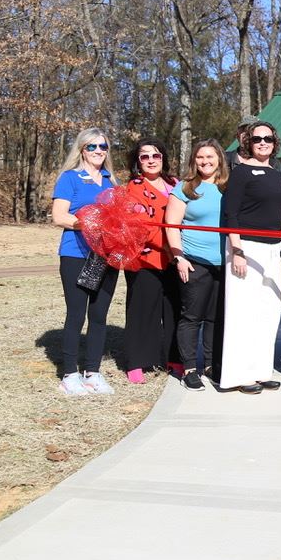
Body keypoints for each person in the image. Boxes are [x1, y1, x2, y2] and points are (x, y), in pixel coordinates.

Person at [219, 122, 281, 394]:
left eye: (268, 138)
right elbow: (231, 214)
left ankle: (260, 370)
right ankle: (238, 374)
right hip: (245, 248)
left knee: (268, 312)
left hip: (273, 249)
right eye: (257, 138)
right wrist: (236, 250)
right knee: (242, 312)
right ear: (248, 142)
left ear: (274, 142)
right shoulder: (241, 173)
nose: (262, 142)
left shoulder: (276, 173)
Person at [51, 127, 119, 396]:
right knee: (76, 314)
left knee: (99, 315)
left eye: (103, 147)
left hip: (106, 255)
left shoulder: (110, 181)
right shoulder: (70, 178)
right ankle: (69, 374)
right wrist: (89, 223)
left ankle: (93, 373)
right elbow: (59, 216)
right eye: (92, 147)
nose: (99, 151)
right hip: (76, 254)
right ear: (82, 149)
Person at [165, 140, 228, 391]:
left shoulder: (228, 187)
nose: (205, 162)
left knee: (215, 318)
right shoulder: (185, 188)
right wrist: (179, 257)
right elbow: (171, 225)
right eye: (200, 157)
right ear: (194, 160)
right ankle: (190, 368)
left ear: (219, 159)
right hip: (194, 262)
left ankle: (212, 365)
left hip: (223, 264)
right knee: (192, 317)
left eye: (210, 157)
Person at [121, 137, 181, 384]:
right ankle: (137, 361)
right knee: (142, 310)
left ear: (163, 158)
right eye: (145, 156)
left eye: (156, 155)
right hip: (146, 257)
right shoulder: (132, 187)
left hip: (175, 255)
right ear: (138, 161)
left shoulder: (175, 184)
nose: (151, 160)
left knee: (175, 307)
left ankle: (174, 357)